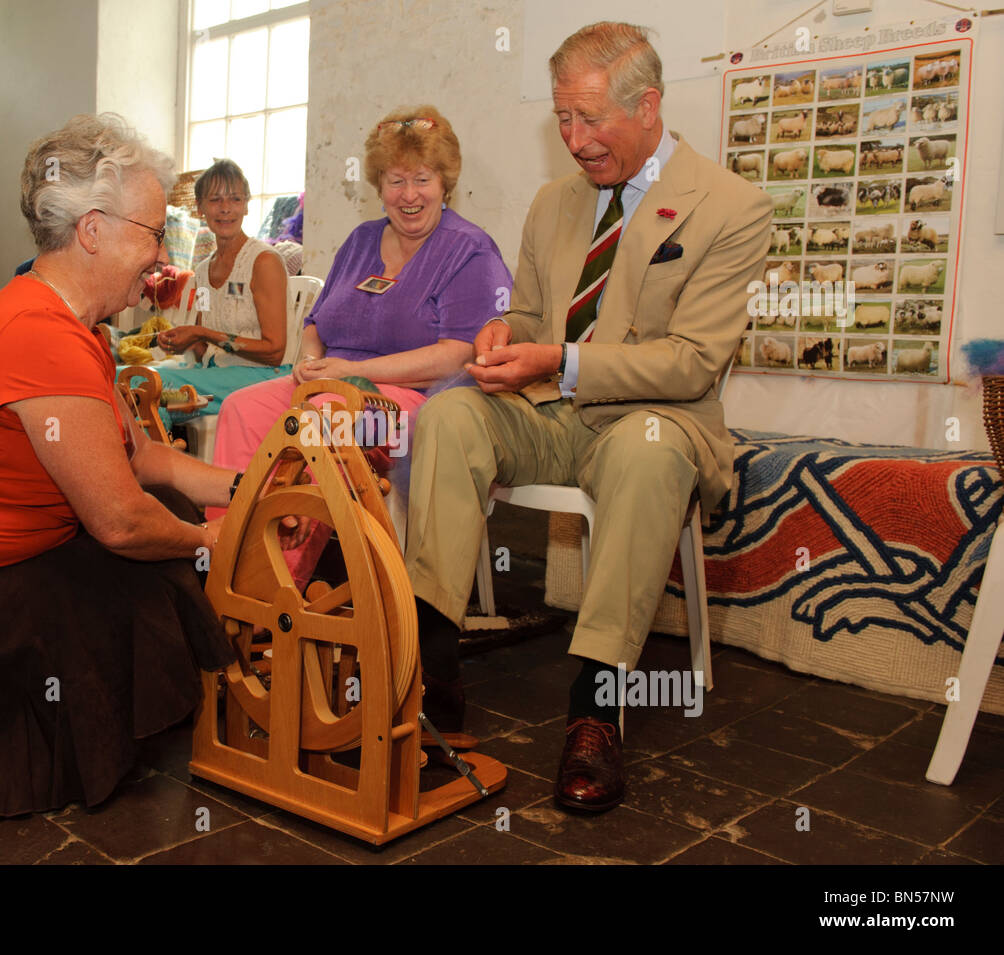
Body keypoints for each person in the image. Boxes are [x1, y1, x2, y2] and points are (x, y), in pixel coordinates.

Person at [0, 114, 293, 823]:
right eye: (154, 233)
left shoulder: (74, 325)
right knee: (154, 553)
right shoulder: (40, 334)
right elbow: (122, 520)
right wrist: (217, 541)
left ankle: (144, 716)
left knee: (175, 528)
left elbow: (145, 458)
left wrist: (251, 488)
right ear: (92, 229)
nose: (161, 255)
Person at [404, 23, 772, 812]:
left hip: (658, 420)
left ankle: (596, 702)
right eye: (562, 120)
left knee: (645, 450)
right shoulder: (554, 203)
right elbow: (536, 317)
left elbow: (691, 362)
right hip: (556, 417)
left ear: (649, 105)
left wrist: (560, 360)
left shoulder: (733, 206)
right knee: (450, 417)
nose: (573, 140)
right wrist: (507, 337)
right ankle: (431, 671)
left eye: (590, 119)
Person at [209, 105, 512, 510]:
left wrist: (351, 372)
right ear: (379, 185)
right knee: (241, 408)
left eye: (422, 179)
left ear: (444, 183)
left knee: (324, 418)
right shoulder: (360, 241)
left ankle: (285, 565)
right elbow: (318, 323)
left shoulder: (469, 250)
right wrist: (311, 360)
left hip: (418, 409)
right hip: (330, 386)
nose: (409, 195)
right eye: (396, 181)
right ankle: (233, 553)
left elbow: (458, 355)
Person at [153, 159, 291, 418]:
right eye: (215, 200)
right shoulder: (203, 271)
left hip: (256, 381)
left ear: (246, 205)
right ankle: (168, 451)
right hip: (213, 376)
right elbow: (203, 345)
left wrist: (201, 332)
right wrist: (182, 343)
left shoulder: (263, 262)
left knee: (153, 389)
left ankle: (162, 454)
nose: (225, 209)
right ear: (199, 208)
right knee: (128, 380)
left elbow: (274, 351)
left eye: (235, 199)